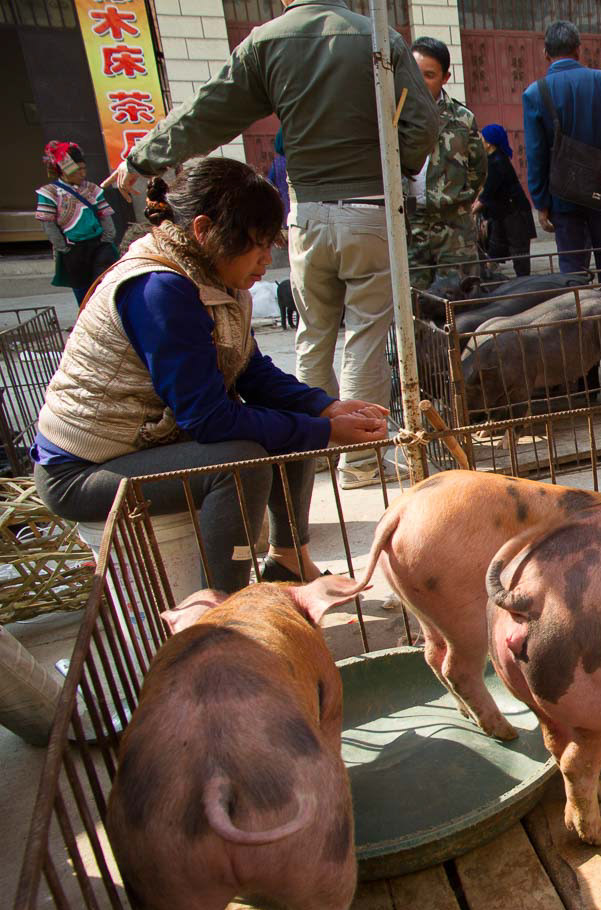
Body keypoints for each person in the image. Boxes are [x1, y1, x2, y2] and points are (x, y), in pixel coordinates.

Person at [108, 0, 438, 489]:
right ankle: (361, 461)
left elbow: (208, 113)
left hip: (304, 214)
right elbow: (422, 126)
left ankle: (314, 453)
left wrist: (144, 156)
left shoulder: (266, 40)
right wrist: (398, 166)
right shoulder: (376, 36)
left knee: (314, 332)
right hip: (371, 208)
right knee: (366, 338)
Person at [32, 158, 388, 592]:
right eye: (256, 244)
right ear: (203, 230)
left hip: (144, 444)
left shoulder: (214, 278)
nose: (266, 259)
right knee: (243, 463)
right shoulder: (161, 289)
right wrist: (324, 430)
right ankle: (228, 608)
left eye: (270, 243)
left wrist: (325, 406)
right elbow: (208, 419)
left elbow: (250, 369)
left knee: (292, 423)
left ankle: (289, 560)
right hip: (85, 470)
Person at [523, 20, 601, 297]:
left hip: (564, 198)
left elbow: (536, 154)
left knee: (572, 277)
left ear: (546, 53)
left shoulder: (536, 93)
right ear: (578, 50)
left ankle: (580, 333)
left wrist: (541, 202)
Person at [408, 36, 487, 291]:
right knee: (413, 309)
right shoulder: (394, 117)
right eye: (414, 74)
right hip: (411, 228)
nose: (420, 82)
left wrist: (454, 198)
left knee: (461, 307)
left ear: (445, 77)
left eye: (429, 75)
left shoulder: (462, 119)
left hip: (454, 230)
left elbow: (478, 169)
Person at [37, 141, 118, 306]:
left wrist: (107, 238)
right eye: (77, 169)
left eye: (84, 169)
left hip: (99, 245)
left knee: (105, 285)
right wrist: (63, 248)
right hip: (73, 249)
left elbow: (105, 215)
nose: (82, 174)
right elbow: (48, 224)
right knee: (83, 291)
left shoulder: (91, 189)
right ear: (63, 170)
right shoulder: (49, 193)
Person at [475, 124, 536, 277]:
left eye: (482, 138)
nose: (479, 140)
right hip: (502, 214)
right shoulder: (491, 160)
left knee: (519, 256)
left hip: (515, 215)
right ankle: (488, 280)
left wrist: (471, 211)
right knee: (494, 250)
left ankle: (524, 286)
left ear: (489, 143)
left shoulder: (498, 162)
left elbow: (487, 193)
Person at [267, 129, 290, 229]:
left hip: (286, 213)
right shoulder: (298, 161)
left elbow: (269, 186)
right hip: (305, 214)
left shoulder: (276, 163)